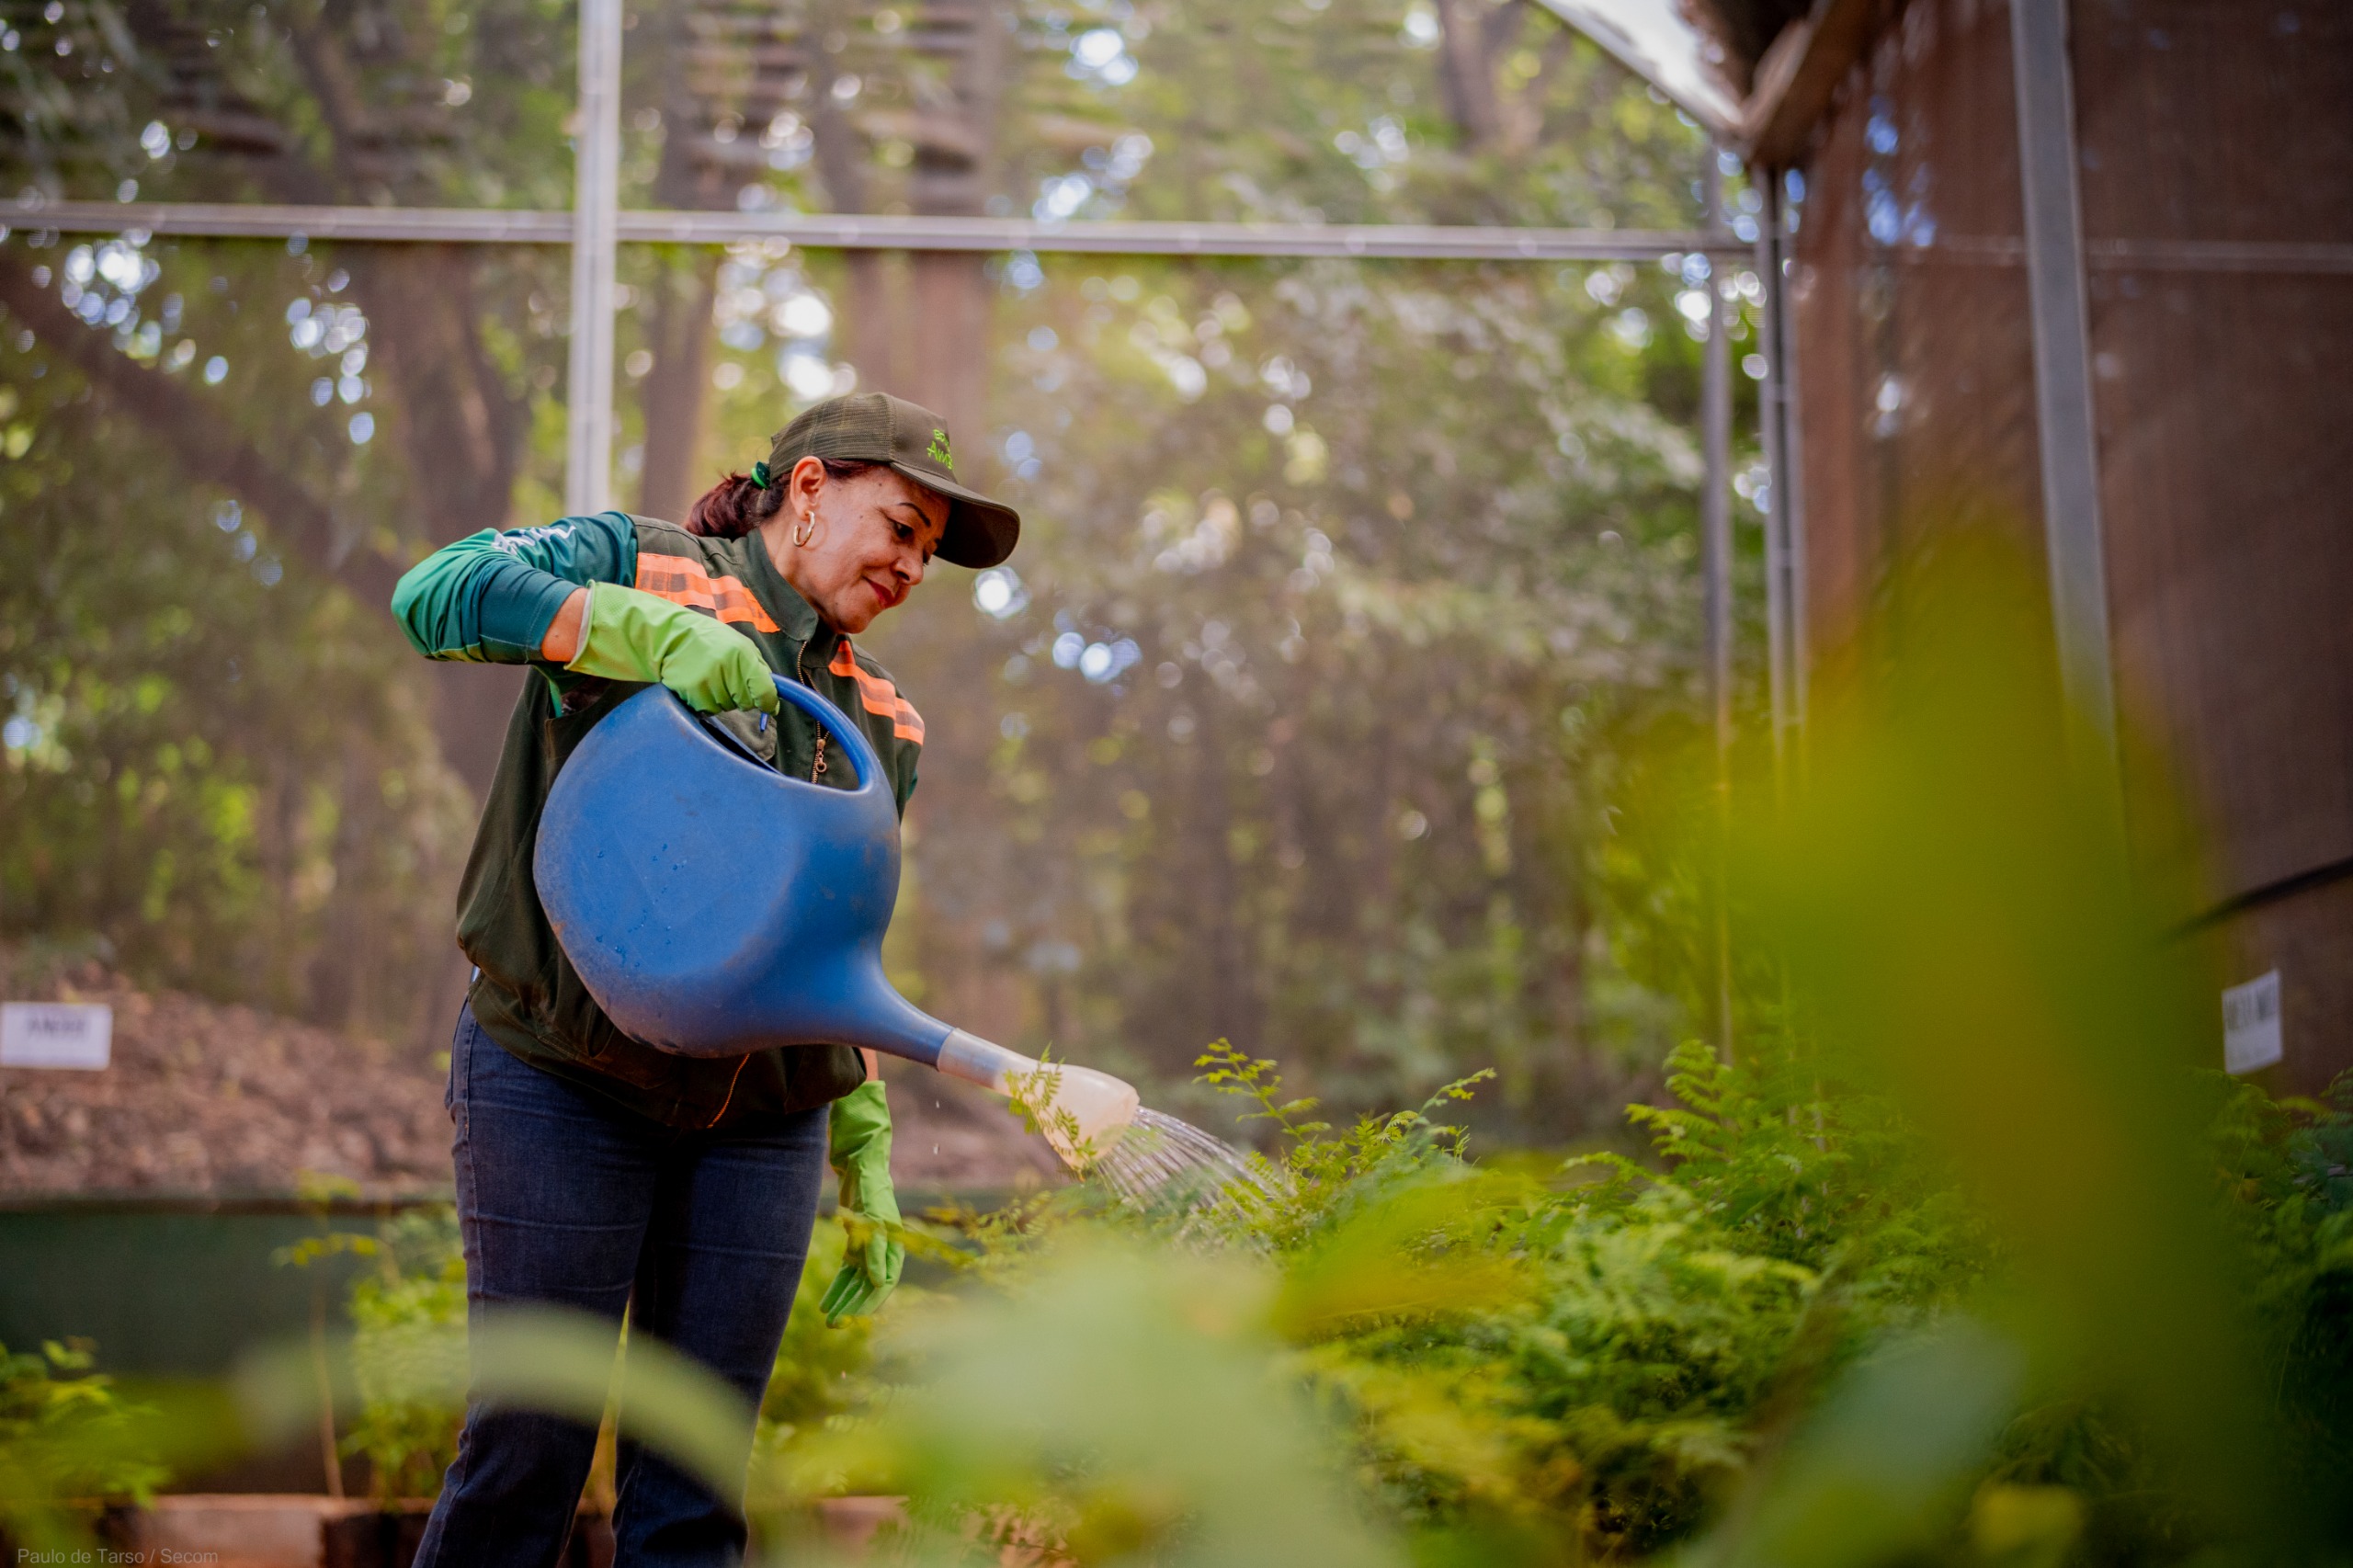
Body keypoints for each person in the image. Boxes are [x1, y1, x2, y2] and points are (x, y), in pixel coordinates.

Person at [387, 392, 1019, 1568]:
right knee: (531, 1443)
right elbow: (435, 592)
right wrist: (642, 635)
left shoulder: (884, 720)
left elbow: (832, 945)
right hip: (559, 1075)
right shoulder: (640, 564)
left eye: (932, 549)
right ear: (813, 485)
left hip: (758, 1119)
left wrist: (861, 1129)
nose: (915, 563)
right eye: (901, 525)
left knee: (698, 1478)